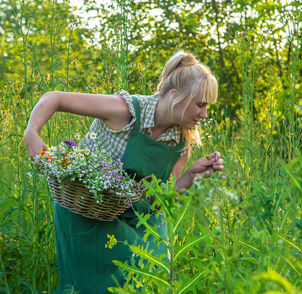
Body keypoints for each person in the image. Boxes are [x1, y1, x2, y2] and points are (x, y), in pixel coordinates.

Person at [23, 51, 224, 293]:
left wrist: (190, 177)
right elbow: (54, 98)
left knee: (151, 283)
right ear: (175, 97)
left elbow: (158, 202)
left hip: (140, 224)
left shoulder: (181, 143)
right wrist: (31, 134)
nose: (205, 114)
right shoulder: (125, 112)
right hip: (90, 213)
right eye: (200, 105)